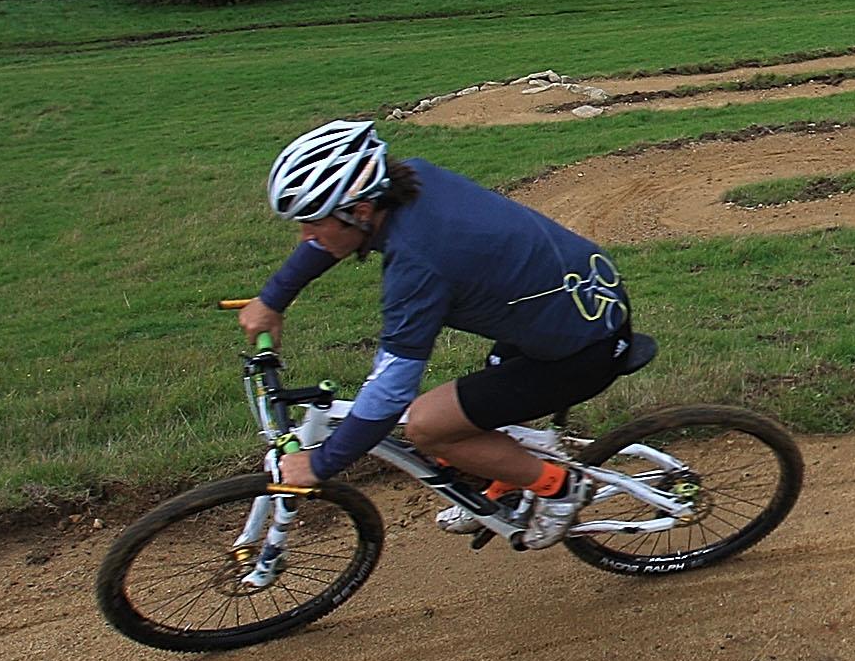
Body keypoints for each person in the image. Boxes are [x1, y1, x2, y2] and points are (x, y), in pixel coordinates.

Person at [240, 120, 641, 547]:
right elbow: (334, 238)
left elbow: (392, 389)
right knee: (484, 405)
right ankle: (509, 478)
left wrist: (321, 463)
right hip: (575, 297)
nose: (306, 236)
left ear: (359, 212)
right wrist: (273, 299)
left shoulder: (419, 265)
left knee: (429, 427)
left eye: (312, 222)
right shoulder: (411, 179)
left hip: (584, 346)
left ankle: (560, 488)